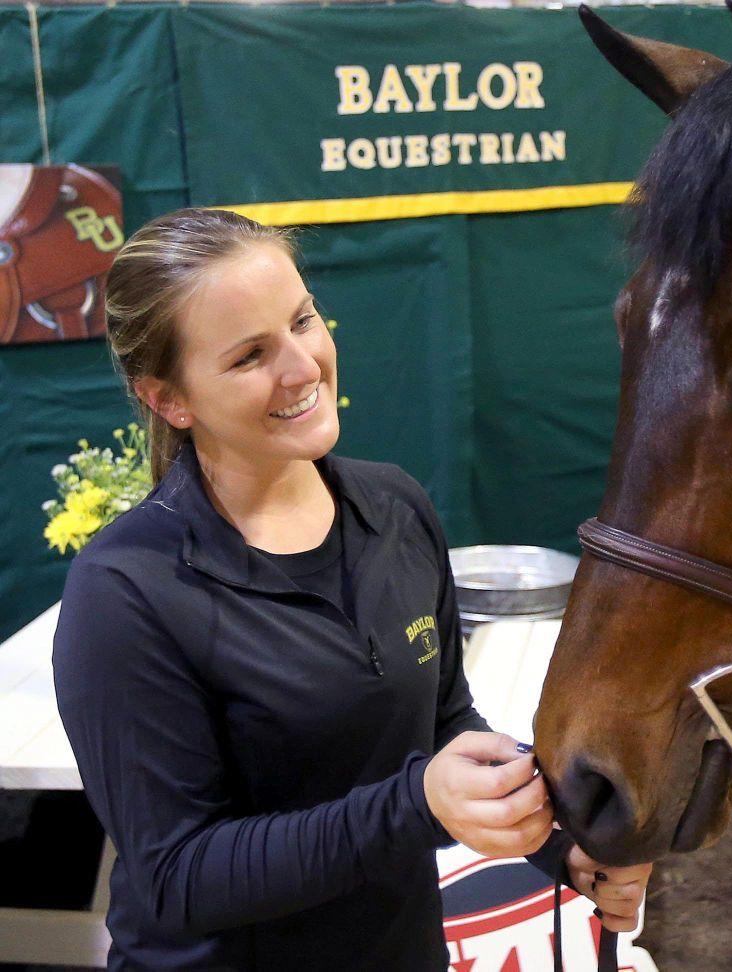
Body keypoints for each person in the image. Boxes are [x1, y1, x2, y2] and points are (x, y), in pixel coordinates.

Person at [52, 208, 651, 970]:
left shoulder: (395, 508)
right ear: (171, 399)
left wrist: (560, 843)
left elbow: (442, 722)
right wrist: (416, 805)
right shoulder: (125, 591)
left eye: (303, 320)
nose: (303, 366)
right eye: (249, 356)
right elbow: (177, 875)